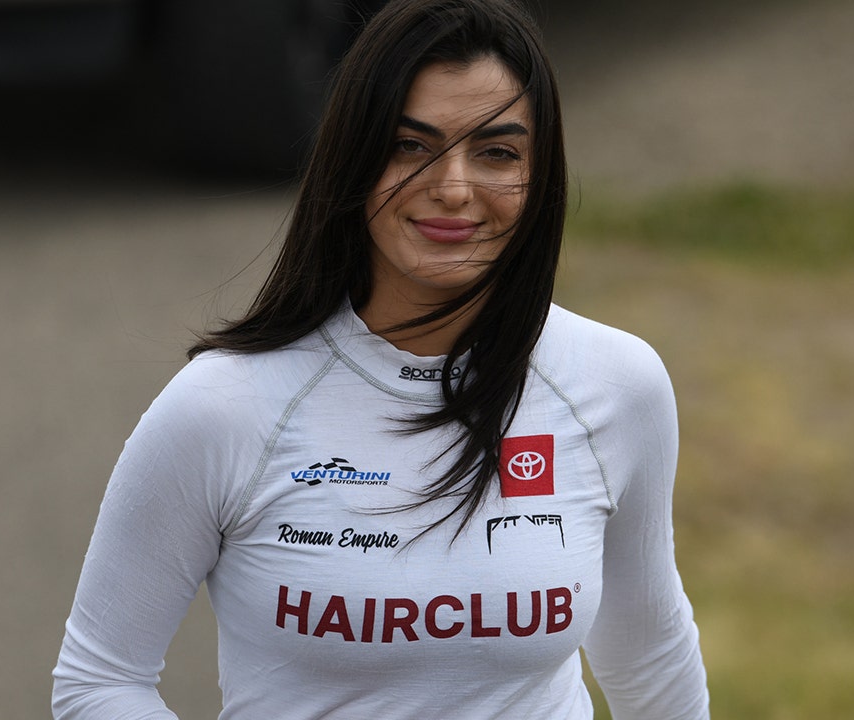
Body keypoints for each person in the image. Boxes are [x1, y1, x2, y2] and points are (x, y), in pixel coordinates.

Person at [52, 0, 709, 717]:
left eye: (497, 152)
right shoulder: (223, 406)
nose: (453, 188)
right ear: (353, 161)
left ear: (540, 176)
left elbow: (650, 655)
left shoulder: (616, 385)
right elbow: (99, 679)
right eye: (410, 145)